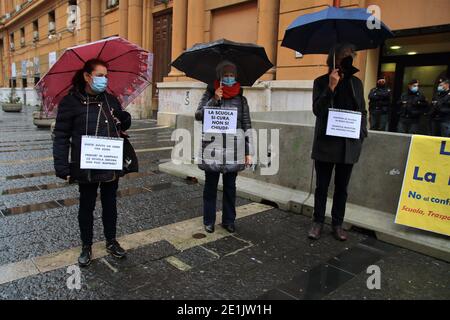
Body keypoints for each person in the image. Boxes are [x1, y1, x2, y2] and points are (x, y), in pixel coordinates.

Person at [53, 59, 132, 267]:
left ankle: (111, 241)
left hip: (109, 162)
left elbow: (123, 124)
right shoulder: (70, 102)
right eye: (100, 75)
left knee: (110, 204)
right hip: (86, 165)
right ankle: (86, 246)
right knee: (86, 206)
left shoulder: (111, 100)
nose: (104, 79)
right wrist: (62, 166)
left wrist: (124, 117)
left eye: (106, 76)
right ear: (87, 76)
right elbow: (60, 135)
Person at [308, 43, 368, 241]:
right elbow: (318, 110)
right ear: (333, 59)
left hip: (347, 145)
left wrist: (361, 134)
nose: (348, 59)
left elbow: (362, 111)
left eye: (351, 55)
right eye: (344, 56)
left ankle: (337, 224)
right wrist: (331, 87)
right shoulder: (321, 82)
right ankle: (318, 222)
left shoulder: (356, 83)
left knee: (342, 189)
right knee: (322, 187)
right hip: (326, 144)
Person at [195, 60, 252, 234]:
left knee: (230, 188)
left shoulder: (241, 99)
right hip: (212, 148)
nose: (229, 78)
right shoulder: (209, 94)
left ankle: (228, 220)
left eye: (231, 75)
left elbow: (247, 125)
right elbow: (198, 115)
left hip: (234, 149)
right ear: (219, 77)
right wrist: (214, 100)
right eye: (225, 75)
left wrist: (249, 152)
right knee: (210, 187)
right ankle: (209, 220)